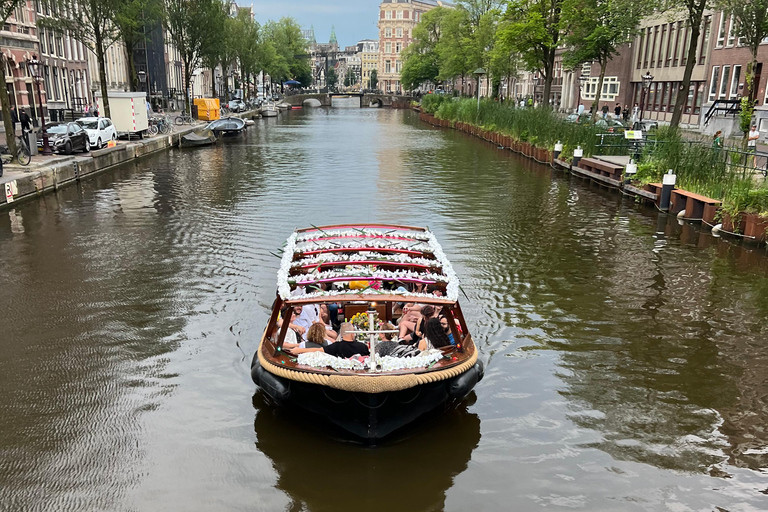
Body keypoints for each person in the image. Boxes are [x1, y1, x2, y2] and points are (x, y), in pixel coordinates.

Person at [291, 322, 369, 357]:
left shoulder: (336, 346)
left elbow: (318, 350)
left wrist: (300, 350)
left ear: (341, 334)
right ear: (353, 333)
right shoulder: (363, 347)